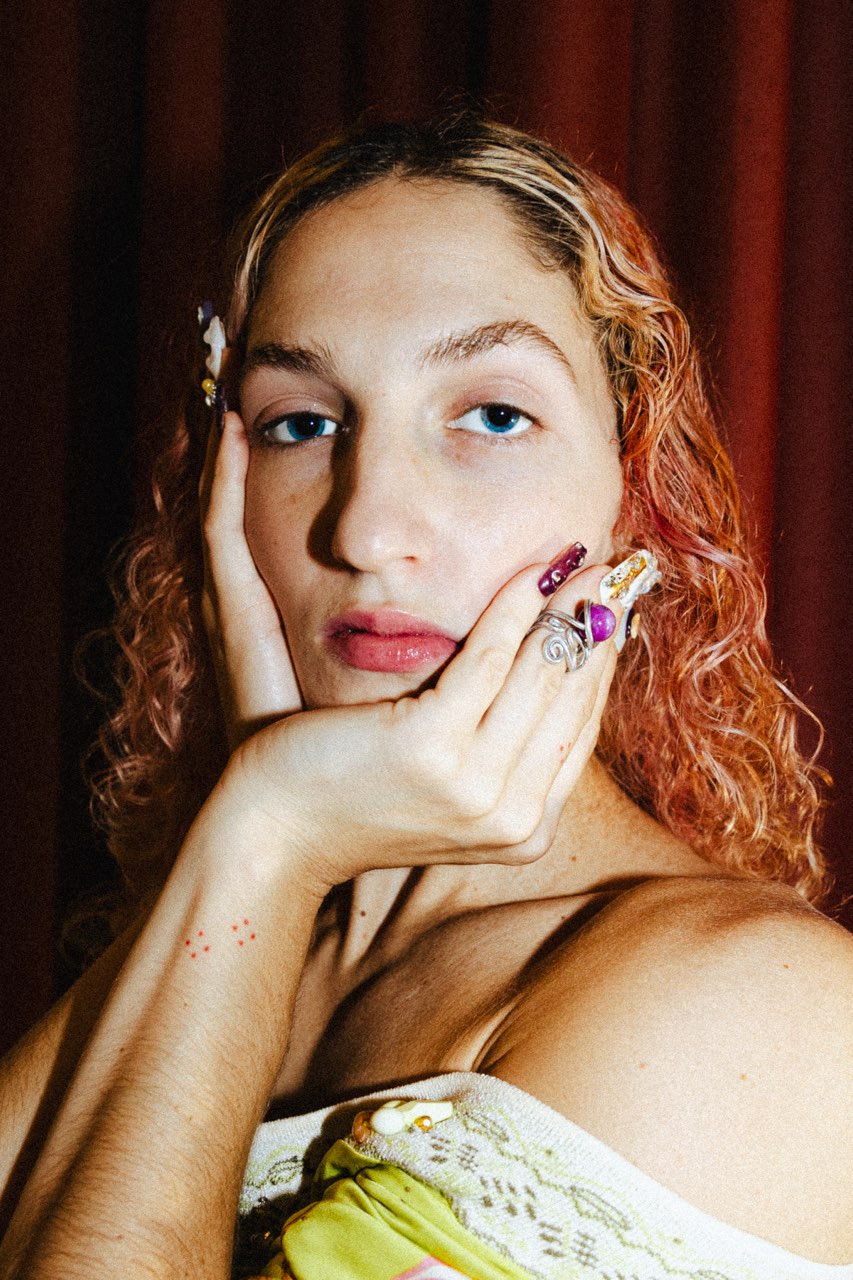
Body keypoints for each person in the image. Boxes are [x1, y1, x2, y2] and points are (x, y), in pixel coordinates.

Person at [1, 115, 851, 1280]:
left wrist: (268, 828)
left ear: (632, 491)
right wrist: (261, 838)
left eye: (492, 415)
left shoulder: (752, 1006)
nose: (365, 526)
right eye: (303, 422)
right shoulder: (249, 913)